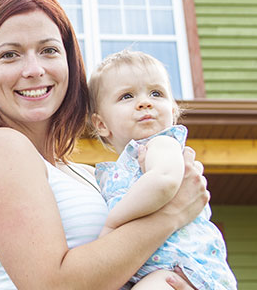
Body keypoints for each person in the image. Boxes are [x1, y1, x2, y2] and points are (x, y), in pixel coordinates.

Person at [0, 0, 210, 290]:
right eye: (10, 55)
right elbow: (52, 285)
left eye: (49, 50)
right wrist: (172, 213)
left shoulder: (88, 174)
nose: (34, 70)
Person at [89, 50, 236, 290]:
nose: (145, 102)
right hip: (153, 270)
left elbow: (164, 181)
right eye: (127, 96)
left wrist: (112, 223)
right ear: (101, 124)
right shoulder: (115, 172)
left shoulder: (160, 144)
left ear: (173, 111)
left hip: (183, 268)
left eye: (156, 93)